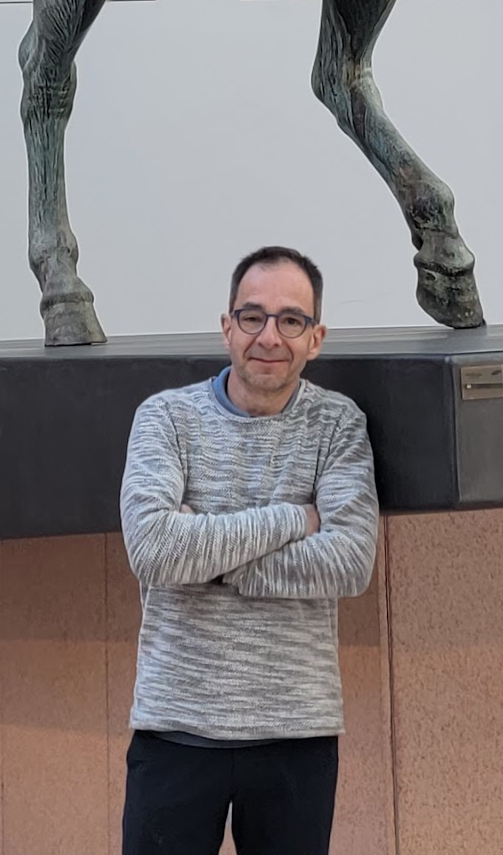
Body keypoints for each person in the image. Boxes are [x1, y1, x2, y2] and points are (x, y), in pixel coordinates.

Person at [119, 245, 378, 855]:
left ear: (315, 338)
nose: (269, 336)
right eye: (253, 316)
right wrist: (294, 518)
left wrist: (206, 556)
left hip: (296, 735)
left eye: (291, 320)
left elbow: (349, 561)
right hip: (176, 728)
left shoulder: (338, 425)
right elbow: (153, 549)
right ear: (227, 327)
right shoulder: (166, 418)